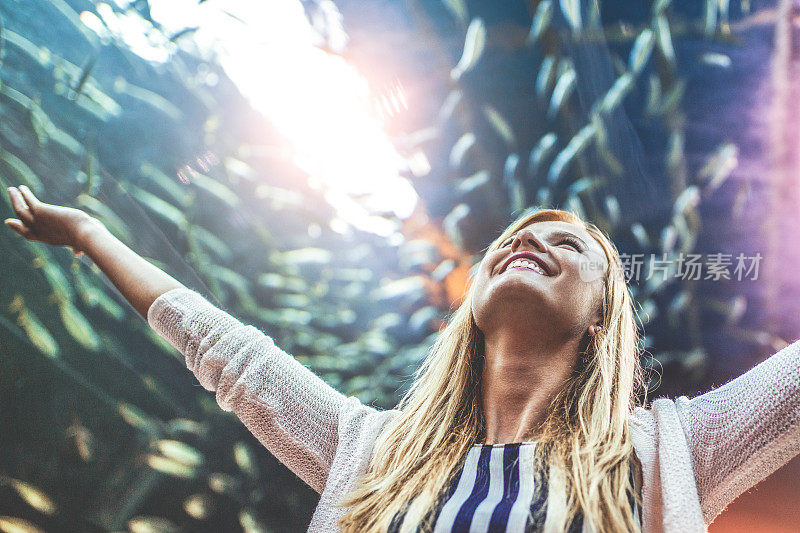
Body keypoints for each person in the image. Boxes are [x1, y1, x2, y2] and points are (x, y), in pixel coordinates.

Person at [4, 184, 800, 533]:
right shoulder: (374, 451)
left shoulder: (669, 450)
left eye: (566, 244)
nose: (526, 240)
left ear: (602, 319)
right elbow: (229, 353)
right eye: (513, 238)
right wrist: (91, 236)